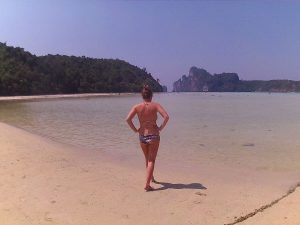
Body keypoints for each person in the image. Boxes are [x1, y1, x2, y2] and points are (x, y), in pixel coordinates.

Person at [126, 85, 169, 191]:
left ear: (142, 96)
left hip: (142, 136)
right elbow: (167, 117)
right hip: (154, 134)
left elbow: (128, 119)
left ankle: (151, 177)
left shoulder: (137, 107)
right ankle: (147, 184)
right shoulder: (156, 106)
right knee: (151, 160)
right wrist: (160, 128)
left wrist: (136, 130)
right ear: (151, 95)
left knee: (147, 159)